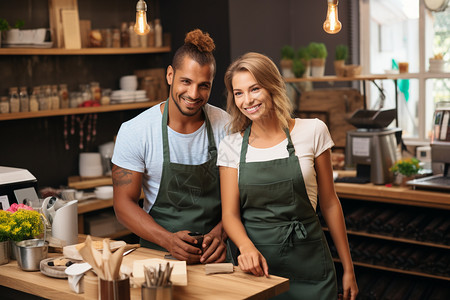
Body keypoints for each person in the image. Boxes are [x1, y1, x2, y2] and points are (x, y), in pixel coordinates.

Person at [218, 52, 358, 300]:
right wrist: (246, 247)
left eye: (254, 89)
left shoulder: (313, 130)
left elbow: (329, 203)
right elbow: (229, 214)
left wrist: (348, 268)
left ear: (272, 87)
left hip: (311, 267)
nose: (247, 100)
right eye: (238, 93)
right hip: (258, 272)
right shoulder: (230, 145)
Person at [111, 29, 230, 265]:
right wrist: (168, 240)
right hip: (158, 258)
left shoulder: (227, 126)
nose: (193, 94)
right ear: (169, 75)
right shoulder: (136, 131)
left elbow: (243, 194)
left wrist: (221, 233)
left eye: (203, 85)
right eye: (185, 81)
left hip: (216, 258)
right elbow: (123, 204)